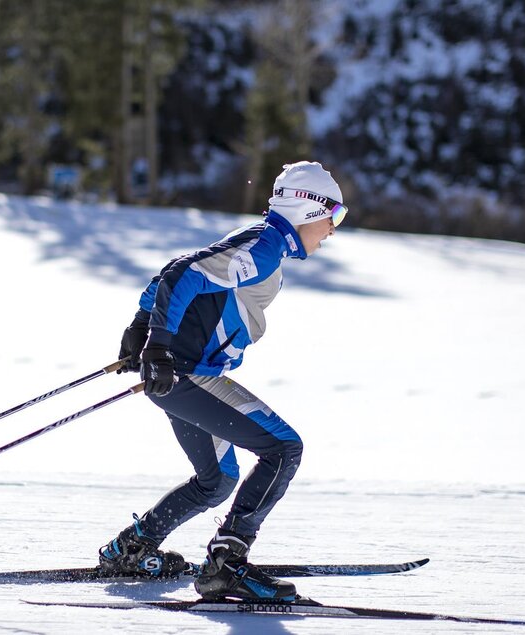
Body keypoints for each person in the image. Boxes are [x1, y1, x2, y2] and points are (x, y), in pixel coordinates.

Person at [97, 161, 348, 602]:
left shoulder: (263, 243)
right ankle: (226, 563)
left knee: (216, 480)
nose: (332, 230)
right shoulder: (265, 248)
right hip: (188, 375)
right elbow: (184, 274)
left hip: (177, 375)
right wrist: (154, 343)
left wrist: (142, 327)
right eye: (335, 216)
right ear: (310, 209)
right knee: (284, 448)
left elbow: (180, 267)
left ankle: (132, 548)